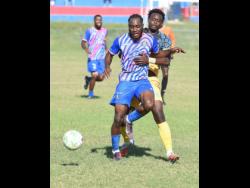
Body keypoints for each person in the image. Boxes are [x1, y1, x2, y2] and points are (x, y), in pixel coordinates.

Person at [120, 8, 185, 163]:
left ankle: (170, 152)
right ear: (147, 19)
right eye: (152, 19)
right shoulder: (137, 32)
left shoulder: (164, 40)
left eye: (158, 20)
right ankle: (126, 143)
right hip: (130, 77)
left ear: (162, 23)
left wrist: (149, 60)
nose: (155, 22)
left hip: (150, 79)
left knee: (157, 110)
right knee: (121, 112)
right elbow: (124, 51)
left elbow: (166, 61)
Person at [104, 14, 160, 160]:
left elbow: (159, 55)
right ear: (128, 26)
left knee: (149, 104)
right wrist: (107, 66)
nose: (134, 29)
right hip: (126, 81)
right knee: (118, 117)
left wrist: (150, 60)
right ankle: (115, 150)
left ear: (142, 26)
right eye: (131, 26)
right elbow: (109, 54)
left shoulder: (150, 39)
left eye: (137, 26)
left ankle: (129, 119)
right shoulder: (121, 40)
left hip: (142, 80)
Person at [81, 15, 108, 98]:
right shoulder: (89, 31)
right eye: (97, 20)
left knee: (101, 78)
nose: (99, 21)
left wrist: (106, 50)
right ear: (94, 21)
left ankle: (88, 79)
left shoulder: (105, 31)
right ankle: (90, 94)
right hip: (92, 58)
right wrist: (86, 49)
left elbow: (104, 42)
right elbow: (83, 42)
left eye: (100, 20)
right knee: (95, 75)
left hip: (101, 58)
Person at [159, 24, 176, 105]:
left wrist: (172, 52)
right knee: (150, 74)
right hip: (154, 54)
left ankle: (162, 95)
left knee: (165, 75)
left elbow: (172, 41)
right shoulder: (152, 28)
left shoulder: (168, 29)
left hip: (166, 55)